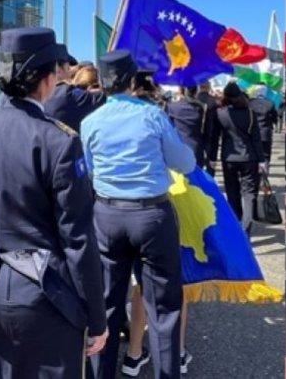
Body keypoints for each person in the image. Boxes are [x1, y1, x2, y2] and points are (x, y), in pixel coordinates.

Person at [0, 27, 107, 378]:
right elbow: (78, 239)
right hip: (45, 294)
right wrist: (98, 316)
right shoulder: (59, 141)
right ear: (46, 78)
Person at [82, 49, 195, 379]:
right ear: (132, 80)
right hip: (151, 214)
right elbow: (183, 163)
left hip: (106, 214)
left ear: (102, 83)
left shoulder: (90, 122)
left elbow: (87, 171)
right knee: (164, 308)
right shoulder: (152, 116)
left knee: (107, 304)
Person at [209, 82, 268, 233]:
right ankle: (246, 228)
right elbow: (256, 138)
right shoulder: (249, 113)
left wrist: (212, 158)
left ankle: (236, 226)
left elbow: (214, 138)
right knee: (249, 194)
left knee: (232, 193)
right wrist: (262, 160)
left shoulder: (220, 113)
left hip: (228, 157)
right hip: (249, 157)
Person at [43, 45, 102, 132]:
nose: (70, 71)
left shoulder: (40, 95)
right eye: (68, 68)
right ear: (58, 70)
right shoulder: (67, 93)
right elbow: (101, 97)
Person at [166, 85, 214, 175]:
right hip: (196, 147)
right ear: (197, 91)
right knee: (196, 180)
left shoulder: (172, 107)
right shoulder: (202, 108)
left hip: (177, 147)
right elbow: (207, 132)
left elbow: (168, 129)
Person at [248, 85, 278, 162]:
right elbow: (275, 117)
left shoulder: (250, 103)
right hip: (265, 133)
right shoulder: (270, 103)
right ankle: (264, 173)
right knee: (266, 156)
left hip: (252, 134)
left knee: (253, 155)